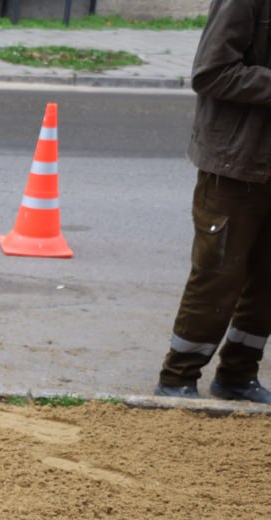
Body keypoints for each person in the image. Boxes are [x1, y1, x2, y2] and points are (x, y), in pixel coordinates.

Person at [155, 0, 271, 402]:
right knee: (218, 275)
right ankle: (178, 377)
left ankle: (238, 375)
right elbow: (211, 72)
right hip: (236, 163)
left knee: (267, 280)